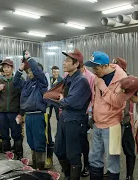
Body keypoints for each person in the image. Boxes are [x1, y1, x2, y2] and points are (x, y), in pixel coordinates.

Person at [85, 51, 127, 180]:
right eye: (92, 68)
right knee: (94, 158)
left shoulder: (121, 79)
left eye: (96, 68)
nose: (94, 71)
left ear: (105, 65)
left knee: (112, 161)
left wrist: (103, 87)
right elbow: (95, 98)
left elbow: (118, 102)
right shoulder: (99, 76)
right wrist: (92, 113)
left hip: (112, 125)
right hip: (97, 123)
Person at [50, 49, 91, 180]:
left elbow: (71, 102)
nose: (64, 63)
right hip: (64, 118)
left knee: (73, 154)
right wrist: (59, 100)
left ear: (76, 64)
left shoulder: (81, 81)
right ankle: (67, 175)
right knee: (59, 150)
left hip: (75, 120)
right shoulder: (67, 79)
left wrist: (60, 100)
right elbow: (57, 97)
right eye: (65, 60)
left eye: (68, 60)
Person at [13, 50, 48, 169]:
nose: (30, 73)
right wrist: (20, 69)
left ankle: (41, 167)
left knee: (39, 142)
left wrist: (30, 59)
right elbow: (15, 82)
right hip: (28, 116)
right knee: (31, 142)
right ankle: (35, 163)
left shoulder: (42, 83)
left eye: (32, 70)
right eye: (28, 71)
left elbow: (38, 72)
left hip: (38, 115)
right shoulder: (26, 84)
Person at [0, 59, 23, 159]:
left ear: (12, 68)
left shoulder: (18, 80)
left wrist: (21, 113)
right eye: (4, 67)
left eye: (8, 67)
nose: (6, 69)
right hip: (2, 113)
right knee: (4, 136)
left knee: (17, 135)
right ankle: (7, 156)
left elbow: (23, 97)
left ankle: (19, 156)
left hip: (14, 113)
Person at [112, 57, 135, 180]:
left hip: (125, 122)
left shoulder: (130, 81)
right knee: (112, 151)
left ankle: (130, 175)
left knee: (129, 150)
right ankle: (112, 174)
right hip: (112, 122)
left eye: (116, 67)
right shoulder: (109, 80)